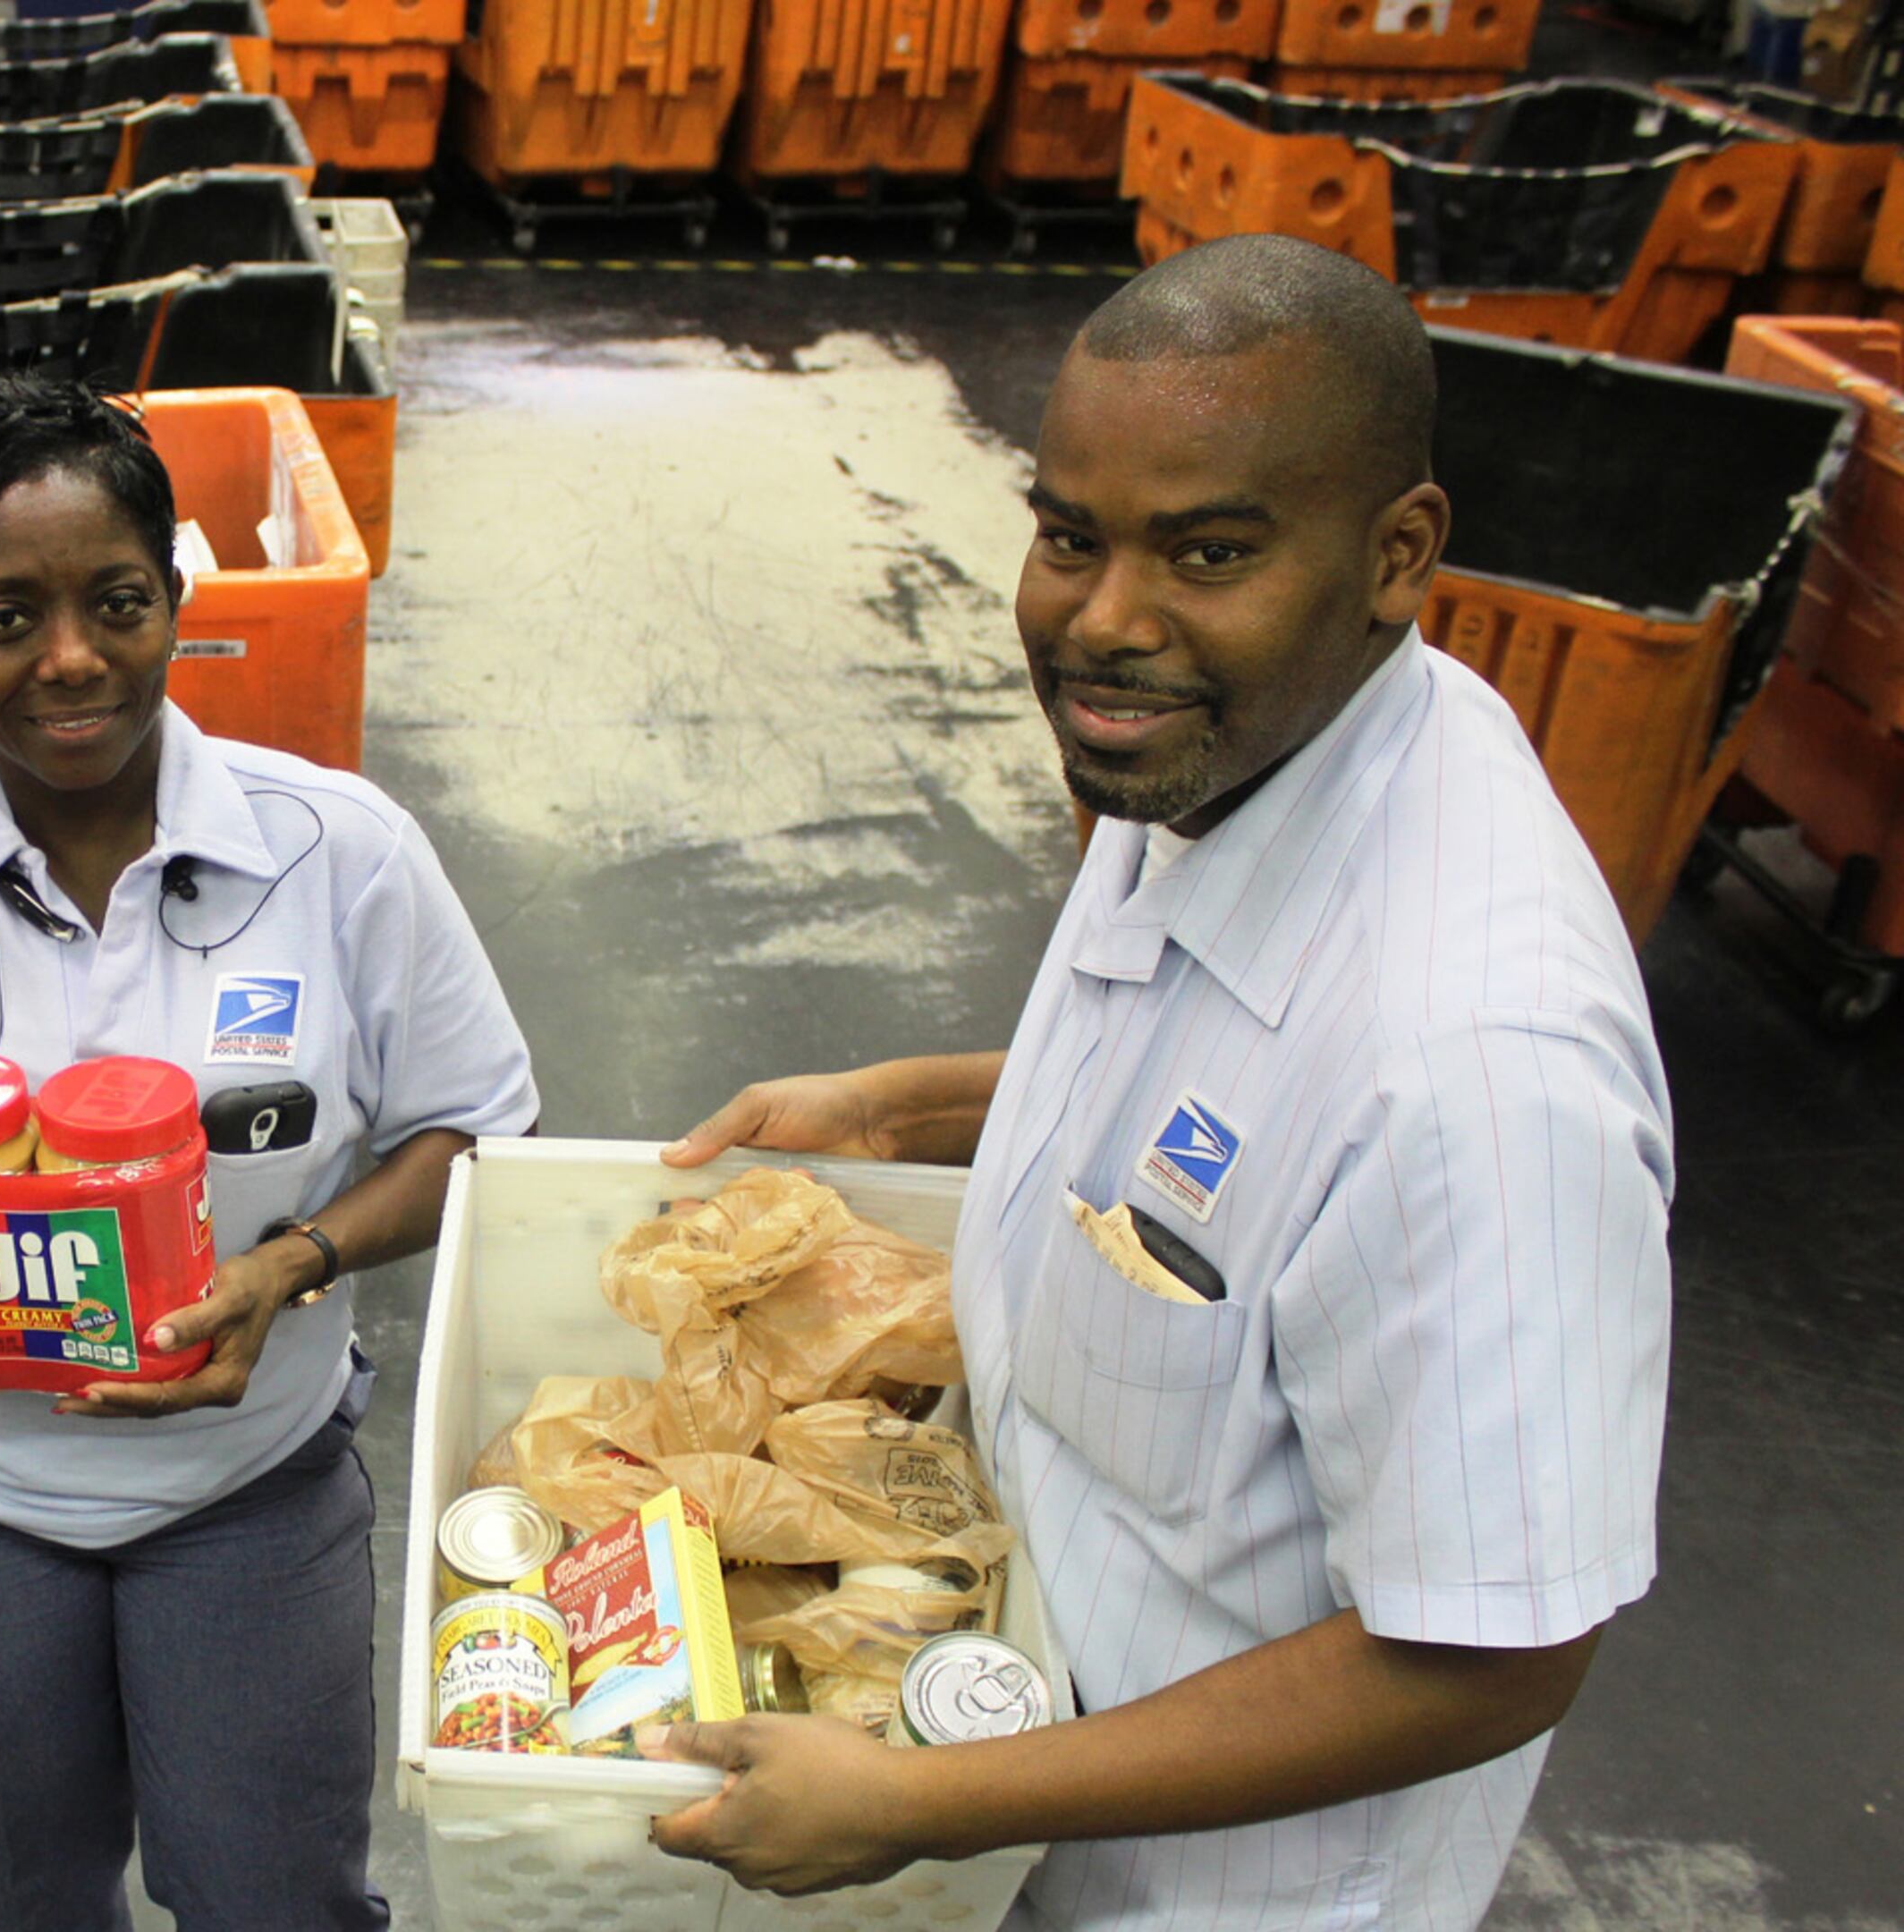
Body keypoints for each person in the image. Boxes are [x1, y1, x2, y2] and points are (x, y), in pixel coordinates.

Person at [646, 235, 1673, 1928]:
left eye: (1209, 553)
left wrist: (930, 1802)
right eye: (1069, 537)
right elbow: (1228, 1100)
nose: (1104, 624)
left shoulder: (1482, 1074)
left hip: (1203, 1885)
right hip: (1025, 1726)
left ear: (1398, 554)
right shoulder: (1232, 744)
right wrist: (903, 1110)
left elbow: (1495, 1652)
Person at [0, 372, 536, 1930]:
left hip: (244, 1480)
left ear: (176, 598)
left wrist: (295, 1262)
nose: (70, 659)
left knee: (273, 1898)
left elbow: (475, 1132)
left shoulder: (338, 854)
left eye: (117, 602)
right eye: (5, 618)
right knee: (35, 1890)